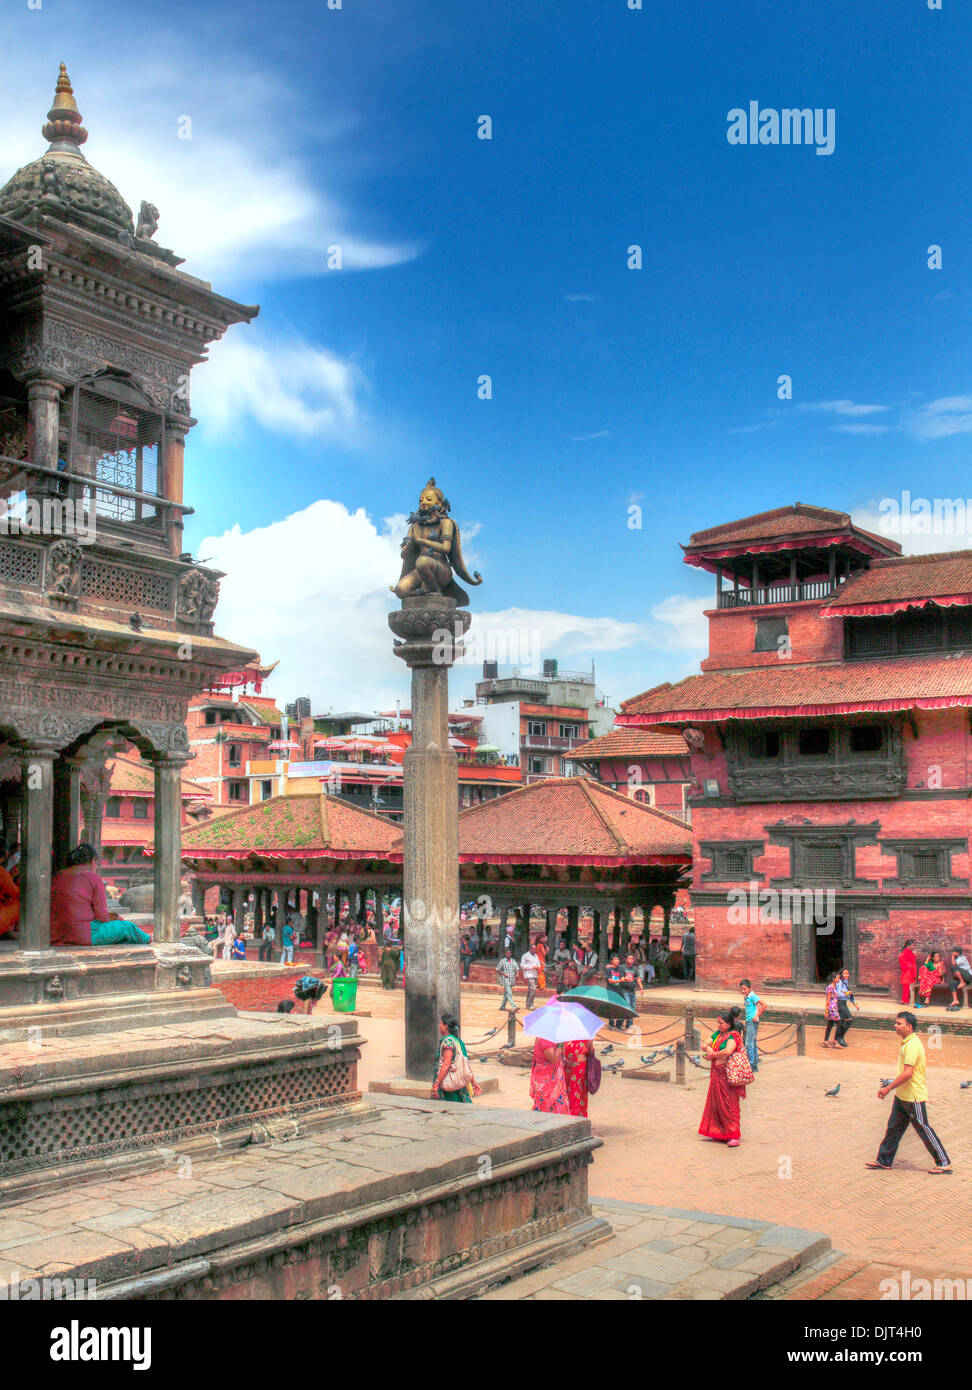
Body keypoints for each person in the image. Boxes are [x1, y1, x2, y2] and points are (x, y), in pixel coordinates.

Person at [866, 1012, 952, 1174]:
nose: (895, 1026)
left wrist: (888, 1088)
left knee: (923, 1128)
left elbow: (908, 1073)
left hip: (913, 1095)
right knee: (894, 1128)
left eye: (899, 1024)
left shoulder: (912, 1045)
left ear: (909, 1027)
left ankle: (943, 1161)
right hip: (902, 1095)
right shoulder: (907, 1043)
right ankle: (884, 1160)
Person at [50, 844, 151, 946]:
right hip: (82, 935)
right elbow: (102, 916)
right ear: (93, 860)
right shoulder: (92, 878)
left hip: (54, 935)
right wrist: (113, 920)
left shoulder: (56, 877)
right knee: (128, 927)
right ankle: (149, 941)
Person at [698, 1006, 746, 1146]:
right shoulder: (718, 1034)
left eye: (721, 1023)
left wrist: (714, 1054)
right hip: (716, 1072)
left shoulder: (733, 1035)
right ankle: (720, 1132)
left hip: (727, 1074)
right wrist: (708, 1048)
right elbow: (705, 1043)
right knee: (717, 1103)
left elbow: (728, 1051)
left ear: (729, 1024)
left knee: (730, 1104)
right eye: (718, 1023)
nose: (719, 1025)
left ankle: (733, 1134)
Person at [431, 1012, 481, 1102]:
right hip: (460, 1083)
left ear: (446, 1026)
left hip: (449, 1085)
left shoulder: (448, 1042)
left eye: (441, 1024)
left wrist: (437, 1083)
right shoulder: (458, 1042)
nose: (439, 1026)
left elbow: (446, 1064)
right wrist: (473, 1082)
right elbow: (466, 1063)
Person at [529, 1035, 570, 1114]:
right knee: (545, 1104)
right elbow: (553, 1058)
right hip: (546, 1079)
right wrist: (560, 1047)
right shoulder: (545, 1040)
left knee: (554, 1104)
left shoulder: (548, 1038)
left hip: (553, 1079)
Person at [739, 978, 765, 1072]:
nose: (743, 991)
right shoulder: (747, 997)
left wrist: (757, 1015)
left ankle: (751, 1065)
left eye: (745, 989)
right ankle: (754, 1063)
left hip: (752, 1021)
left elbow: (764, 1004)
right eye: (741, 989)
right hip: (749, 1021)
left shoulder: (753, 996)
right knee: (753, 1042)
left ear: (749, 988)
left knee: (748, 1044)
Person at [563, 1037, 592, 1117]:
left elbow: (590, 1050)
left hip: (578, 1068)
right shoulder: (586, 1035)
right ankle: (572, 1114)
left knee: (574, 1091)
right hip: (569, 1067)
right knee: (570, 1091)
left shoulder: (566, 1035)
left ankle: (573, 1115)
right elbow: (590, 1051)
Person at [833, 967, 860, 1046]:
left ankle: (837, 1038)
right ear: (841, 974)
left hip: (844, 1003)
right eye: (844, 973)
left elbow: (849, 995)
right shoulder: (839, 983)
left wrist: (855, 1004)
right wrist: (846, 993)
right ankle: (840, 1038)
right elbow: (837, 994)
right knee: (849, 1020)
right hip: (840, 1003)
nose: (846, 975)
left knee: (842, 1022)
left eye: (847, 973)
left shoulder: (845, 982)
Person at [946, 947, 971, 1012]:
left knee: (954, 967)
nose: (952, 953)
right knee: (952, 983)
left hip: (968, 976)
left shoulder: (962, 957)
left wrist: (952, 956)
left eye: (954, 952)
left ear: (957, 952)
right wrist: (953, 956)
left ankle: (962, 982)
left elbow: (954, 964)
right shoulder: (956, 958)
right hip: (962, 977)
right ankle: (955, 1000)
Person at [496, 947, 518, 1011]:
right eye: (507, 953)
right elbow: (497, 969)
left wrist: (517, 973)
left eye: (509, 953)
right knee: (509, 993)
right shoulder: (502, 961)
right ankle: (514, 1006)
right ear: (505, 954)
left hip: (511, 980)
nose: (508, 954)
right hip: (505, 980)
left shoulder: (513, 961)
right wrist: (504, 974)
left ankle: (502, 1006)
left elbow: (517, 968)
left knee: (506, 994)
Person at [520, 941, 541, 1010]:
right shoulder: (525, 955)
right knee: (533, 989)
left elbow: (539, 965)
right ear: (530, 949)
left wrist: (537, 967)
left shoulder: (536, 956)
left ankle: (528, 1004)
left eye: (535, 949)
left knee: (530, 990)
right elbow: (522, 965)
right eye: (534, 949)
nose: (535, 950)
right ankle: (530, 1004)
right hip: (529, 974)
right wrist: (529, 967)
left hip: (535, 974)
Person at [822, 970, 841, 1047]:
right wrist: (826, 1011)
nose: (838, 980)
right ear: (833, 979)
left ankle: (825, 1041)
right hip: (832, 1008)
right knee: (840, 1024)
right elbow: (828, 1000)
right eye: (837, 978)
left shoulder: (834, 987)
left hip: (834, 1007)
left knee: (830, 1024)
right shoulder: (830, 987)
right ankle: (835, 1041)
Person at [898, 938, 918, 1006]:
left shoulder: (905, 951)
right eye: (912, 945)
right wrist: (914, 955)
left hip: (906, 971)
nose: (913, 947)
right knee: (907, 986)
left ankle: (904, 1000)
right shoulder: (908, 951)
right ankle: (905, 1000)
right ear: (908, 945)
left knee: (906, 986)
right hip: (909, 971)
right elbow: (912, 960)